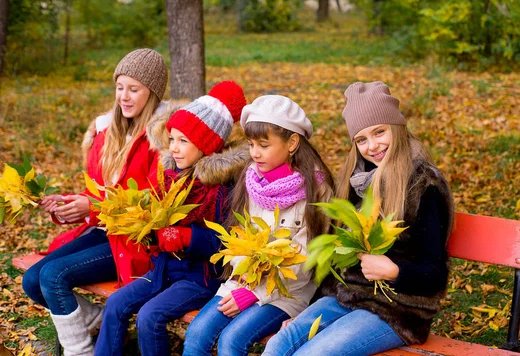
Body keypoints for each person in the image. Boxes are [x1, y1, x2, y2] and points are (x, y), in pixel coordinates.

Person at [262, 81, 454, 356]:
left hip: (398, 309)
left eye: (379, 132)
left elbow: (435, 274)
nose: (372, 146)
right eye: (361, 139)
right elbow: (338, 258)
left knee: (313, 354)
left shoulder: (424, 185)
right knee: (279, 344)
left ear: (396, 129)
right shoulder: (357, 180)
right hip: (346, 296)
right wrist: (306, 313)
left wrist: (395, 271)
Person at [21, 49, 168, 356]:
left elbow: (152, 206)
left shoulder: (161, 140)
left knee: (53, 276)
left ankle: (80, 351)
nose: (124, 97)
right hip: (103, 233)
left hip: (136, 242)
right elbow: (97, 195)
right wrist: (67, 205)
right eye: (119, 87)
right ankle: (97, 320)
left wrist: (95, 208)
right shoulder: (108, 134)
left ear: (152, 92)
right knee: (33, 280)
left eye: (134, 89)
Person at [95, 81, 248, 356]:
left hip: (198, 279)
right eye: (172, 139)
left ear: (207, 146)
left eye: (183, 141)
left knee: (150, 316)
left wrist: (185, 237)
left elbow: (225, 243)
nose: (174, 148)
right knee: (116, 303)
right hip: (163, 271)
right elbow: (157, 219)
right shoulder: (170, 177)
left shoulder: (219, 189)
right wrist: (144, 227)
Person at [182, 95, 334, 356]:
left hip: (287, 294)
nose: (254, 152)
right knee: (197, 333)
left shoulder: (317, 190)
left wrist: (256, 294)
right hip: (242, 282)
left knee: (232, 341)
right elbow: (239, 238)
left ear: (292, 143)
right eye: (251, 144)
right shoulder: (251, 180)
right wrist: (244, 286)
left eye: (264, 144)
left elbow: (306, 258)